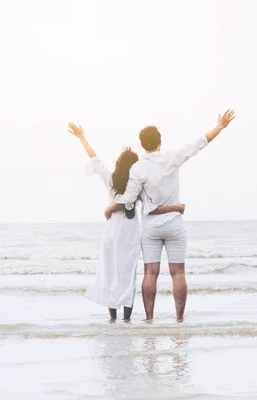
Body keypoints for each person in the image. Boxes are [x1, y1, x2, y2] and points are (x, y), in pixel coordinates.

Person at [104, 110, 236, 322]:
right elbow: (200, 143)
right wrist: (220, 126)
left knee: (150, 273)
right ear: (160, 142)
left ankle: (149, 319)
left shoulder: (138, 168)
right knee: (178, 273)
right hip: (174, 224)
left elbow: (128, 199)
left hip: (151, 228)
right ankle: (179, 319)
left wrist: (111, 208)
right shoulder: (172, 157)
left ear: (142, 144)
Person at [67, 123, 185, 322]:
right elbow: (150, 206)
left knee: (111, 272)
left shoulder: (110, 179)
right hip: (130, 231)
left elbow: (94, 158)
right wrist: (175, 208)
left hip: (112, 230)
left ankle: (113, 318)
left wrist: (82, 138)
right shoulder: (137, 183)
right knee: (128, 273)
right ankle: (127, 318)